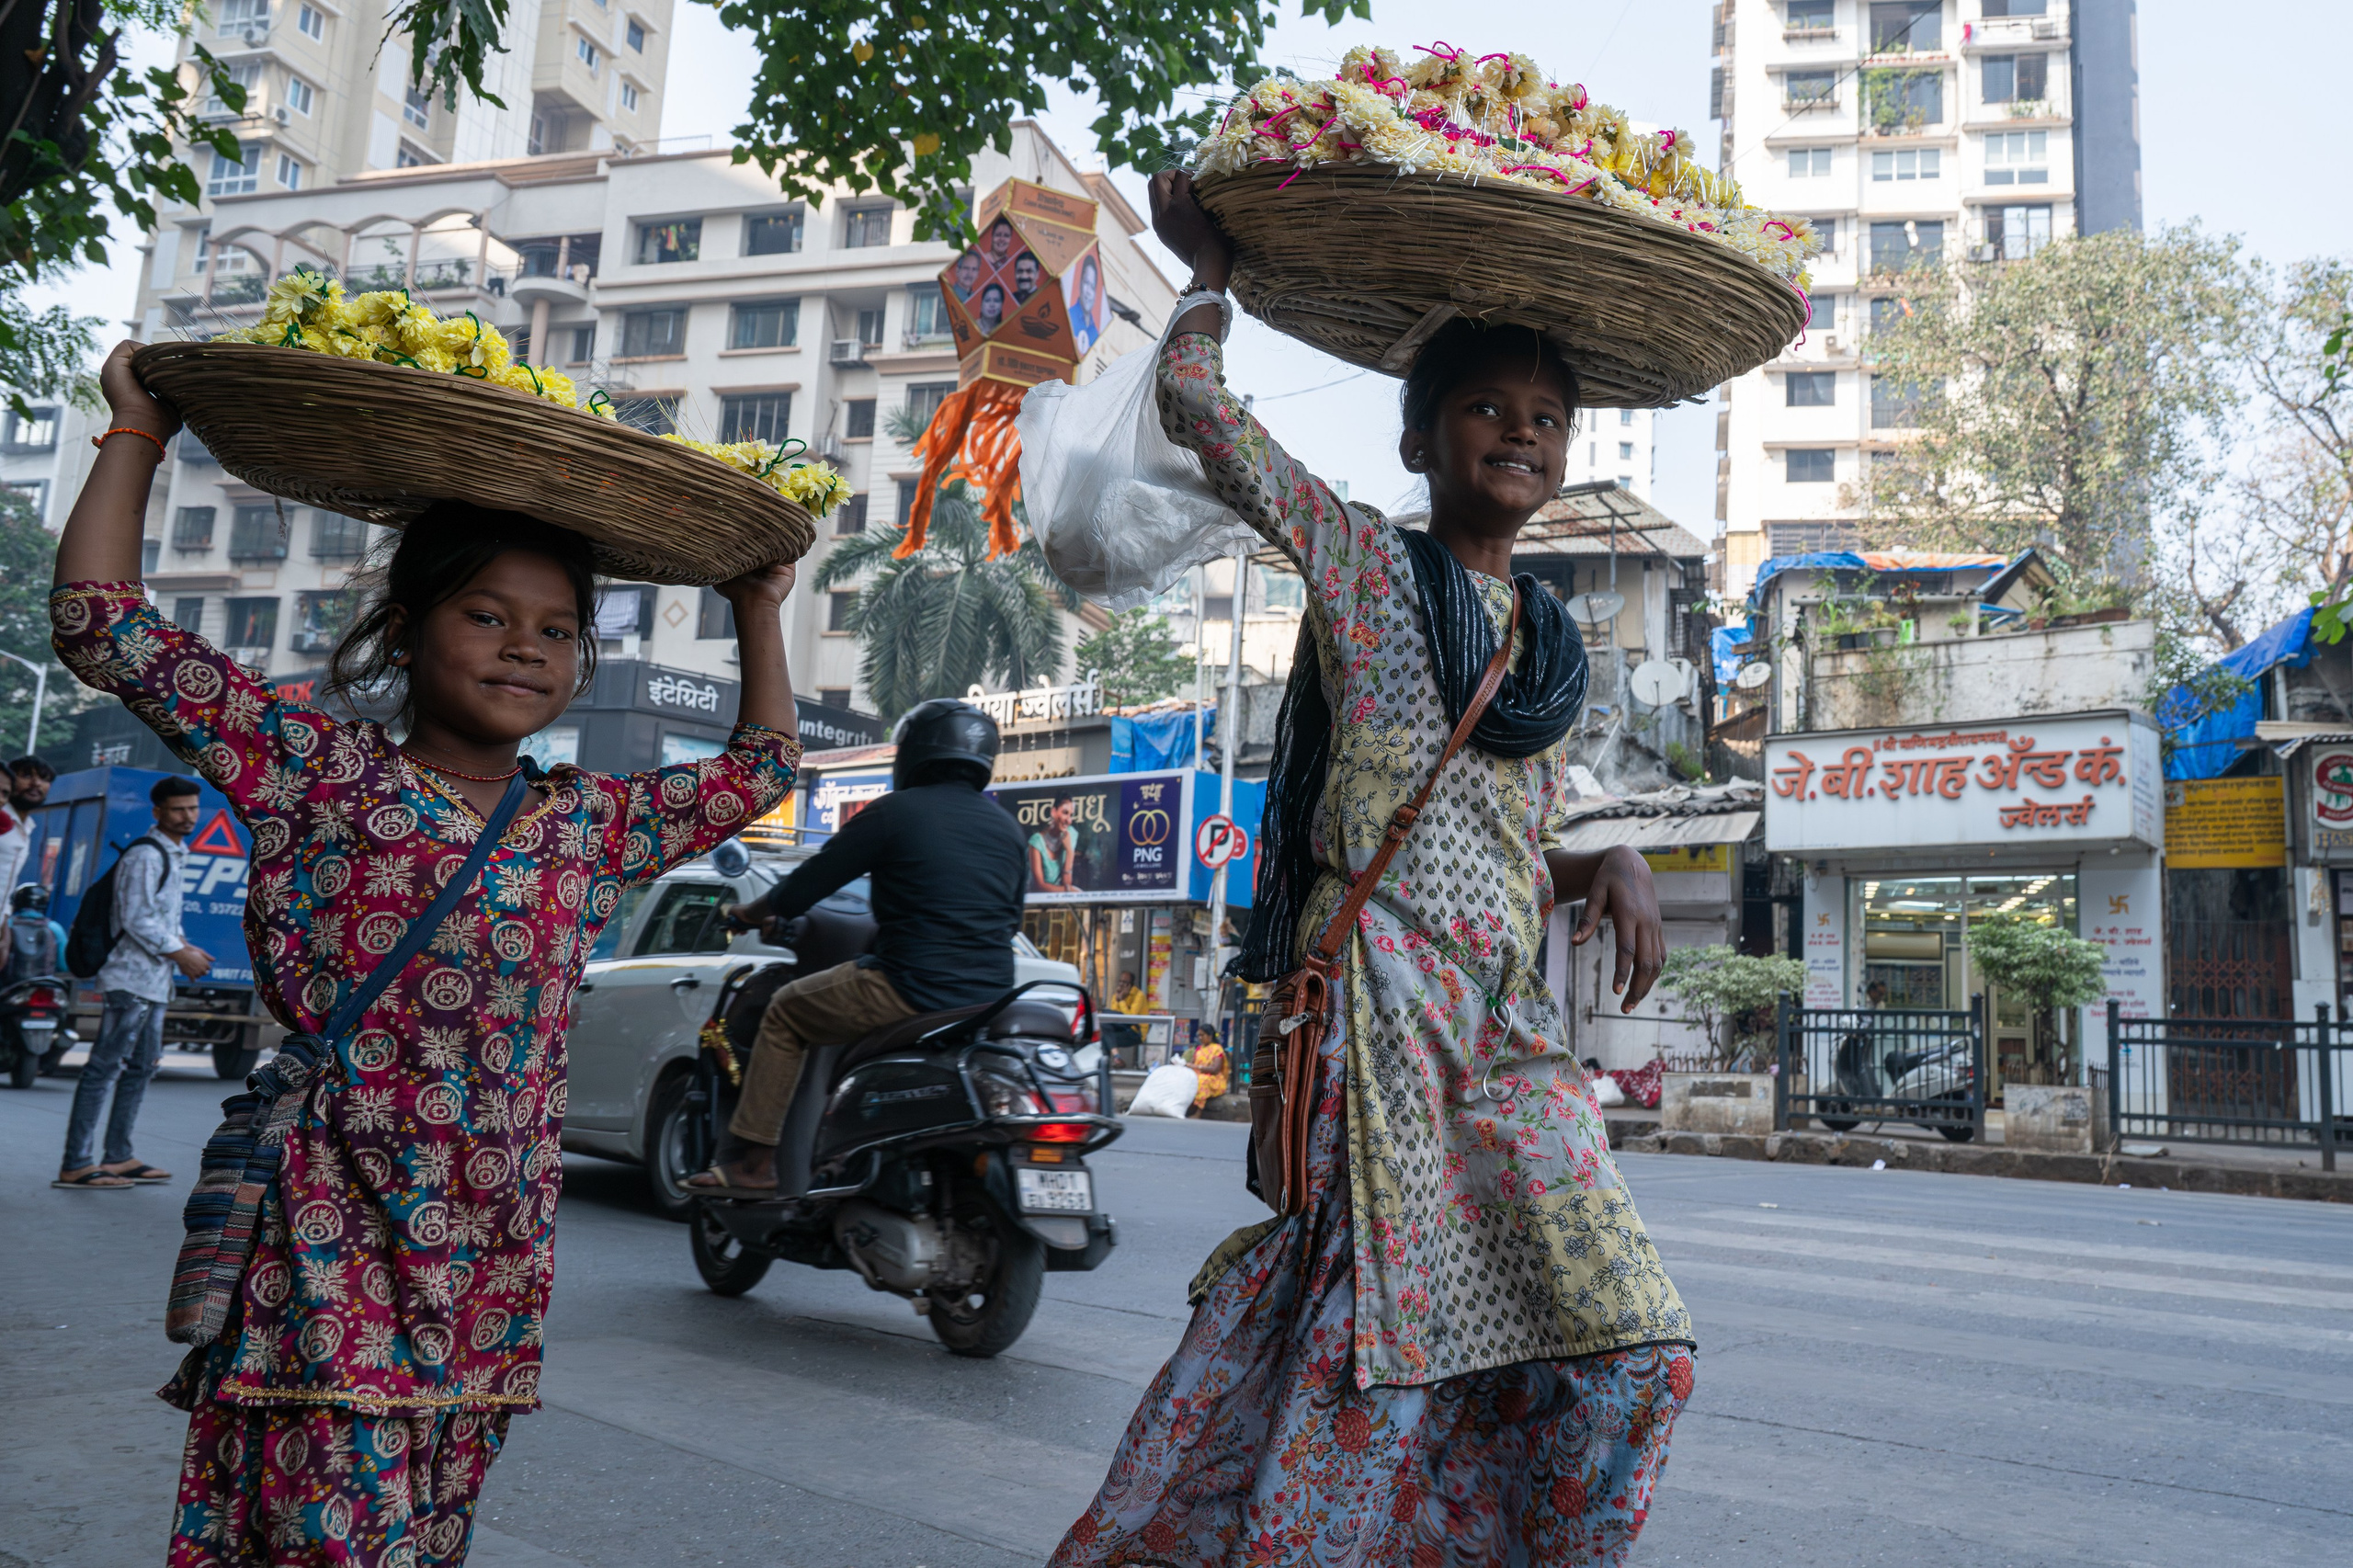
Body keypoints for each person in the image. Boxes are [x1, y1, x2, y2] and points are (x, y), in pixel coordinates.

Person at [51, 339, 801, 1563]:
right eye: (487, 614)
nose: (525, 647)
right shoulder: (317, 770)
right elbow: (102, 623)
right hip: (325, 1240)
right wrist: (135, 429)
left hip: (492, 1269)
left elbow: (763, 766)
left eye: (559, 630)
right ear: (405, 631)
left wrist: (755, 606)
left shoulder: (581, 824)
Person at [1050, 173, 1694, 1566]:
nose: (1519, 434)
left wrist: (1611, 857)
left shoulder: (1554, 645)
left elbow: (1516, 850)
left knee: (1633, 1347)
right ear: (1420, 436)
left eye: (1545, 420)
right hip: (1374, 1016)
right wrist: (1210, 270)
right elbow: (1208, 420)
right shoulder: (1361, 564)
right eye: (1485, 408)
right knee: (1373, 1354)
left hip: (1506, 1032)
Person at [690, 699, 1025, 1192]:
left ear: (913, 753)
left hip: (910, 987)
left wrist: (751, 913)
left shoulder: (895, 813)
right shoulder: (1009, 829)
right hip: (990, 998)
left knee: (785, 1013)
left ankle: (755, 1163)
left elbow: (807, 885)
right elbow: (1010, 918)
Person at [53, 774, 211, 1192]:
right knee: (104, 1068)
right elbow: (136, 917)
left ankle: (119, 1156)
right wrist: (180, 953)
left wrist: (184, 947)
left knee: (141, 1067)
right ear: (158, 812)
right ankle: (76, 1163)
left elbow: (162, 917)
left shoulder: (176, 852)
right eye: (178, 810)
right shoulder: (146, 855)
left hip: (154, 980)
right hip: (128, 979)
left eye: (192, 808)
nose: (188, 817)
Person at [0, 755, 55, 964]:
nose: (36, 783)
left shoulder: (26, 827)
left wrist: (4, 932)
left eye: (43, 778)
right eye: (26, 775)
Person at [6, 881, 66, 984]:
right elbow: (63, 965)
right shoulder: (55, 928)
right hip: (43, 987)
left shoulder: (7, 924)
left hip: (8, 986)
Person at [1026, 794, 1082, 893]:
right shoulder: (1036, 842)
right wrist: (1070, 890)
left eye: (1071, 815)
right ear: (1053, 812)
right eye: (1065, 813)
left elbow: (1066, 882)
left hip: (1059, 901)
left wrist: (1069, 851)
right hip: (1035, 901)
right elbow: (1039, 886)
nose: (1068, 820)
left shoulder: (1070, 834)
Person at [1103, 967, 1149, 1061]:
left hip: (1136, 1031)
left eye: (1125, 982)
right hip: (1123, 1027)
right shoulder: (1117, 994)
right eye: (1120, 981)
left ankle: (1114, 1060)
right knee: (1105, 1019)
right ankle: (1115, 1060)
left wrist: (1121, 1001)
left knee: (1105, 1037)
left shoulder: (1139, 995)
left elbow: (1131, 1017)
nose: (1121, 984)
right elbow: (1113, 1014)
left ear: (1130, 985)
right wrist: (1118, 997)